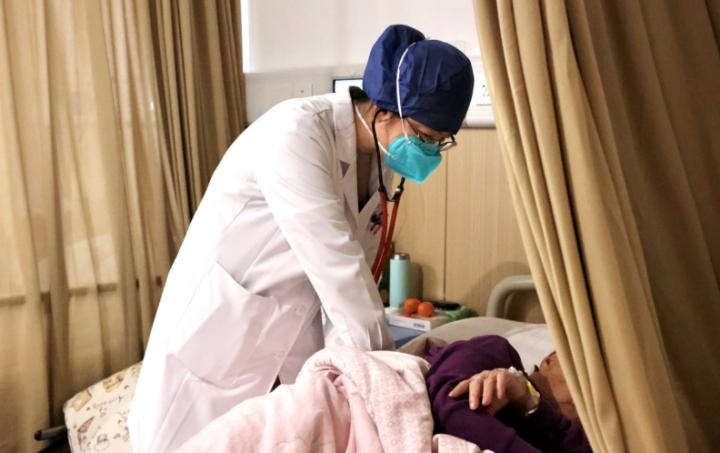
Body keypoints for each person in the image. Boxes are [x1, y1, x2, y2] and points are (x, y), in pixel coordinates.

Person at [128, 24, 474, 453]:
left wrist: (349, 383)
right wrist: (389, 379)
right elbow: (340, 272)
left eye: (441, 143)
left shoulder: (380, 163)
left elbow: (349, 292)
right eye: (424, 138)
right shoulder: (295, 134)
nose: (430, 153)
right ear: (385, 110)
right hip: (215, 345)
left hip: (288, 348)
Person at [426, 335, 593, 452]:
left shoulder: (581, 439)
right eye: (589, 376)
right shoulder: (497, 352)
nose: (593, 394)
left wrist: (531, 402)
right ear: (551, 360)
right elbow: (448, 404)